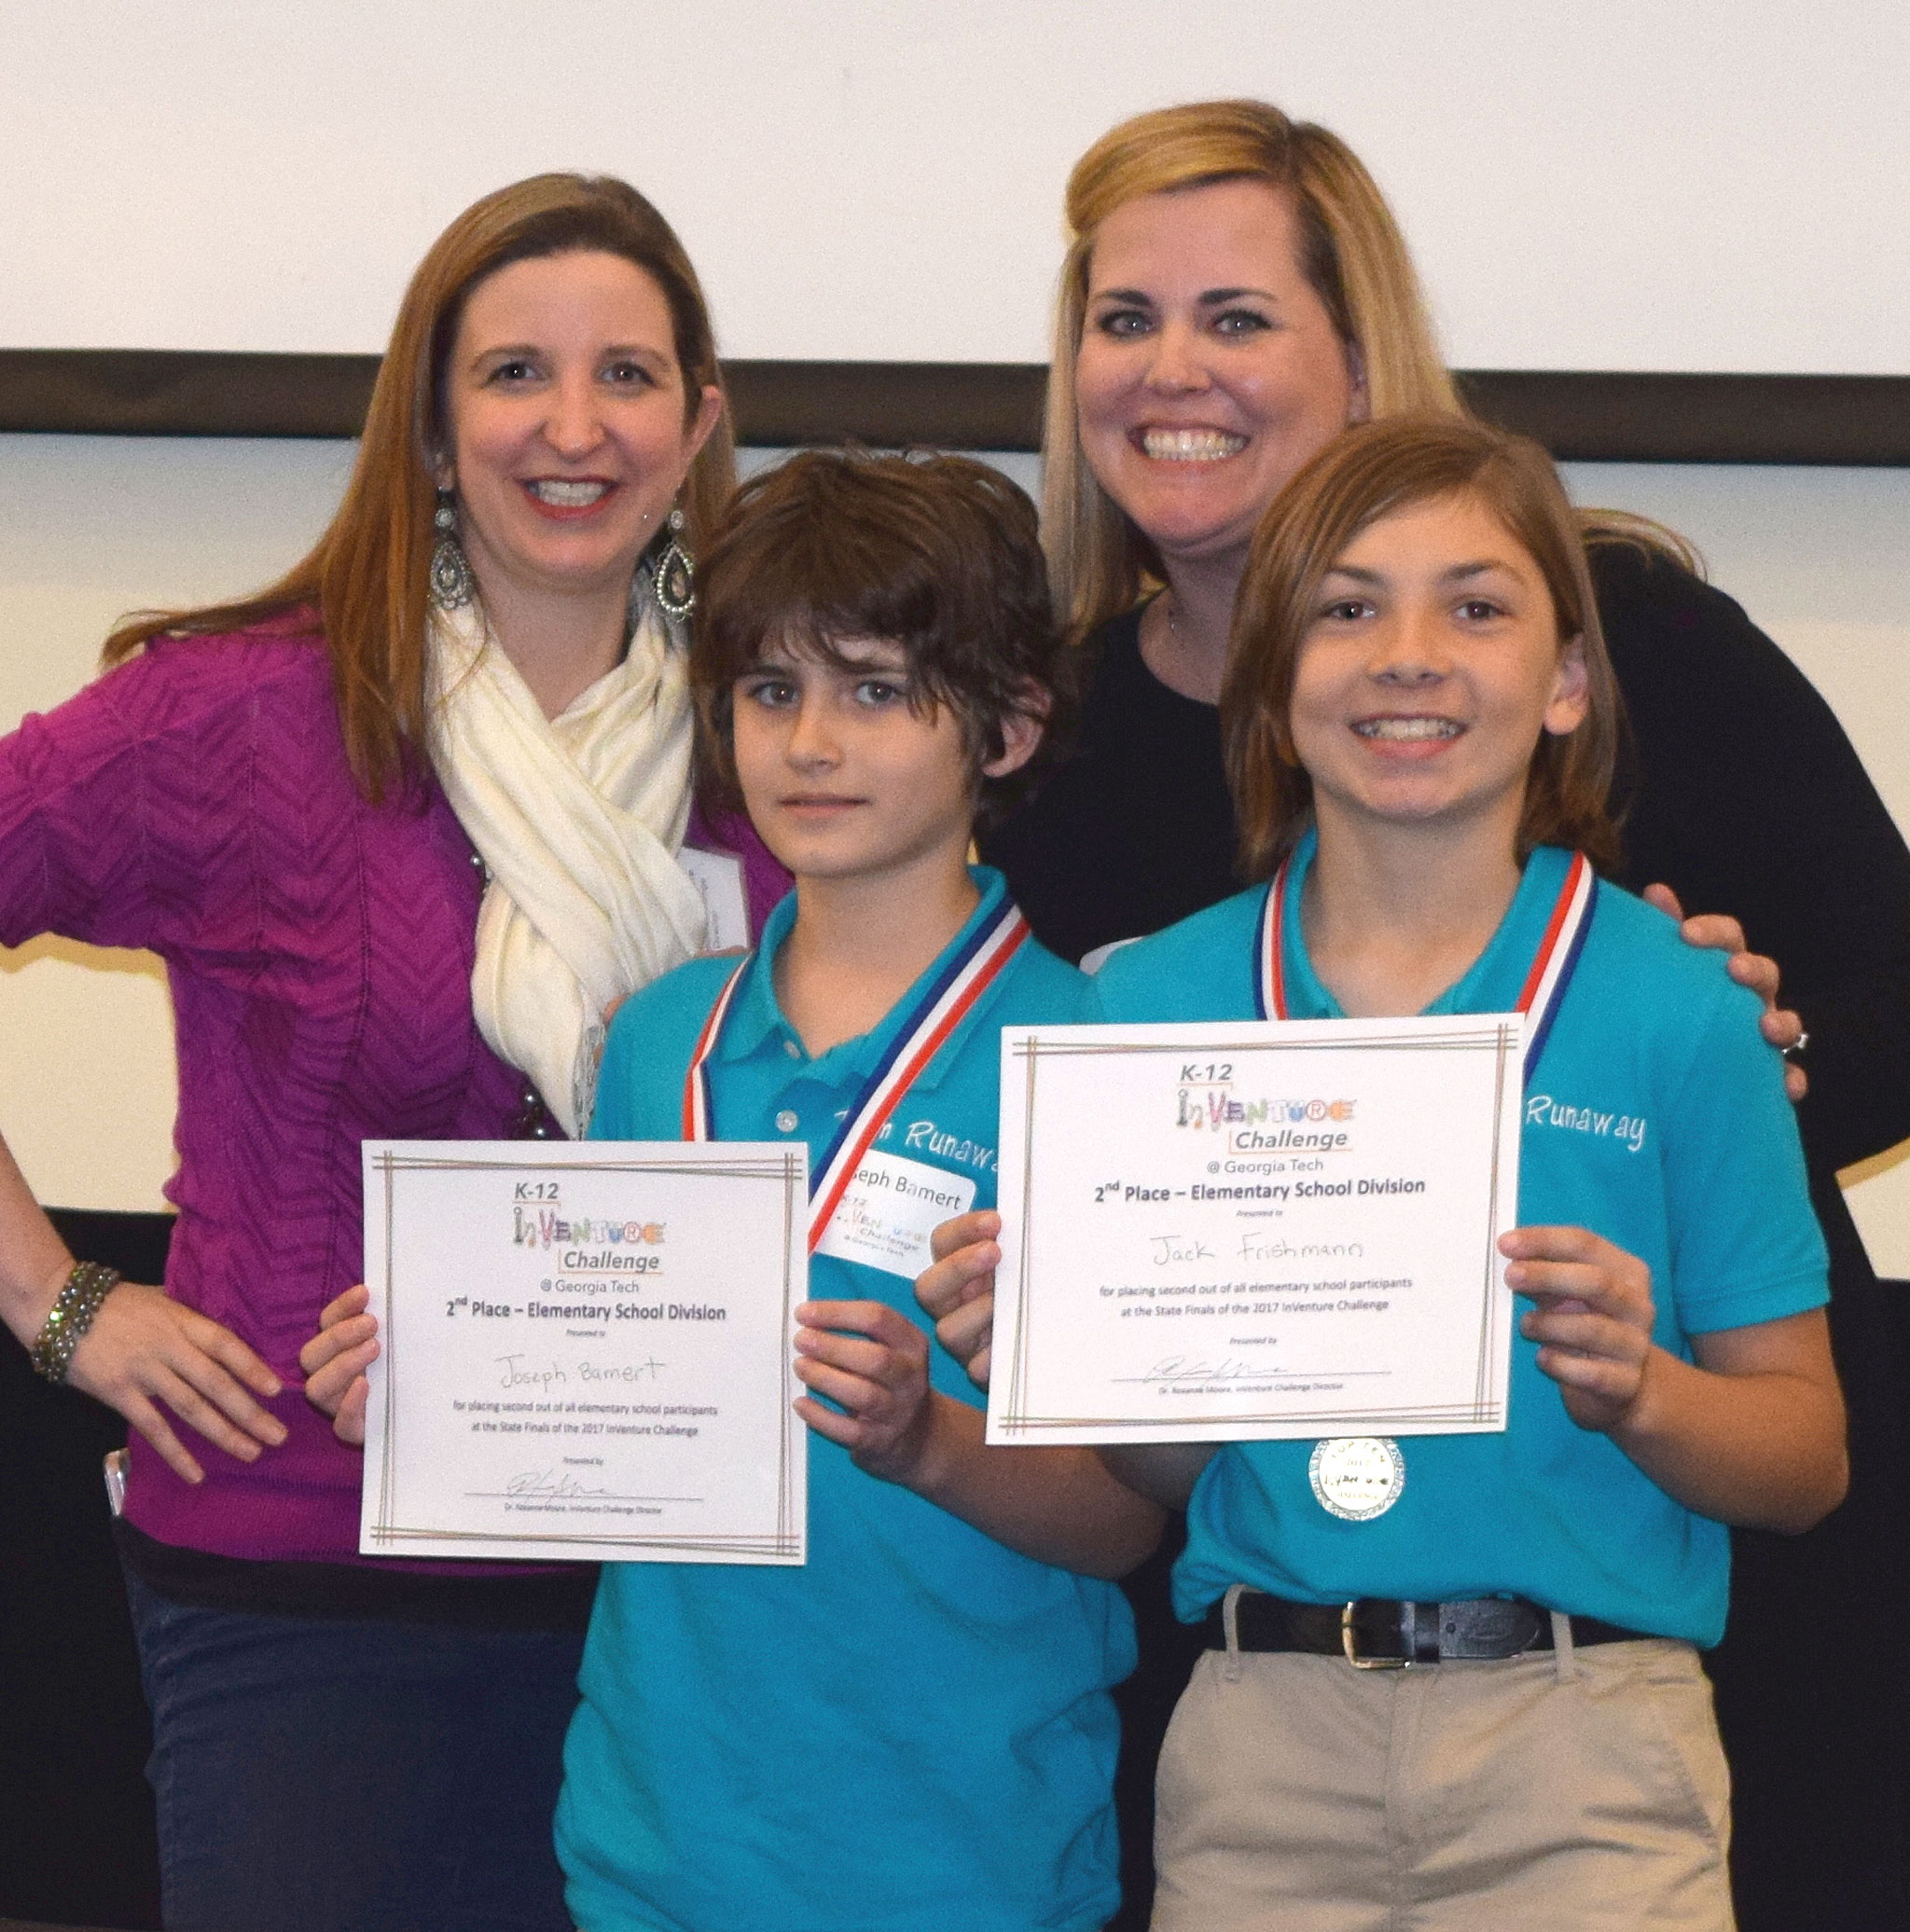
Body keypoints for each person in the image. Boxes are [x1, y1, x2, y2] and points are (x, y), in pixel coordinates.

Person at [980, 99, 1910, 1929]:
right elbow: (1141, 1402)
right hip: (1277, 1684)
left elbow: (1902, 990)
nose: (1171, 370)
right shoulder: (1062, 761)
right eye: (1124, 318)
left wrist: (1753, 1055)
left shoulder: (1629, 637)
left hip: (1649, 1623)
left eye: (1237, 317)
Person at [0, 173, 781, 1932]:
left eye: (629, 377)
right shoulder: (238, 716)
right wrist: (63, 1302)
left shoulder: (787, 741)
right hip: (305, 1593)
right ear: (429, 430)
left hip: (692, 1607)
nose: (573, 428)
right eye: (515, 373)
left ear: (700, 425)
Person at [554, 448, 1155, 1930]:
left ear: (1008, 730)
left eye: (878, 691)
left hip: (967, 1856)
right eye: (772, 693)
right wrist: (438, 1400)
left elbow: (1131, 1522)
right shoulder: (657, 1044)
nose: (811, 742)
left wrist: (929, 1438)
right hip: (655, 1847)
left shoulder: (1091, 1056)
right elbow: (603, 1421)